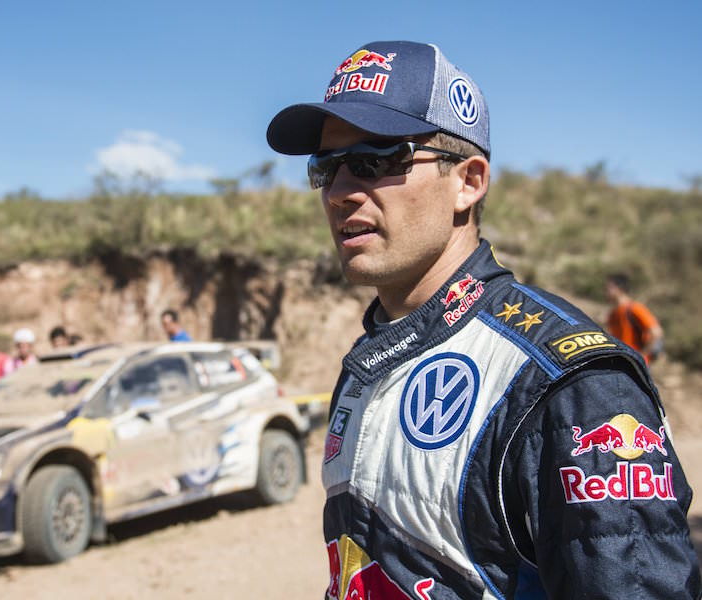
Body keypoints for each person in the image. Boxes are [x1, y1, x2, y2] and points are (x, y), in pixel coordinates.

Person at [267, 40, 699, 598]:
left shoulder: (567, 384)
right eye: (325, 168)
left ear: (468, 182)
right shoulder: (367, 363)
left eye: (373, 160)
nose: (340, 193)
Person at [605, 273, 663, 364]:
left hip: (635, 364)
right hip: (621, 363)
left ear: (620, 288)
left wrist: (642, 355)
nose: (606, 291)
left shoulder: (635, 308)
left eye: (609, 288)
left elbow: (656, 332)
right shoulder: (613, 314)